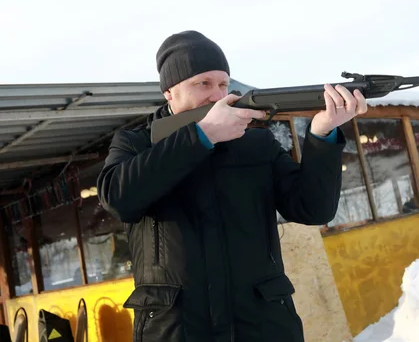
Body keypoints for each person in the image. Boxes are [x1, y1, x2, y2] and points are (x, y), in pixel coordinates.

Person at [96, 30, 368, 342]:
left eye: (223, 84)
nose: (217, 95)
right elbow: (118, 198)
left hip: (262, 327)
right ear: (169, 91)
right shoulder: (136, 143)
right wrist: (202, 136)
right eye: (203, 84)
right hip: (176, 330)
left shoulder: (256, 142)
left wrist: (321, 135)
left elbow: (313, 208)